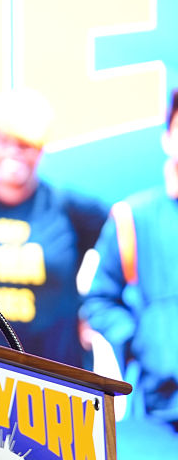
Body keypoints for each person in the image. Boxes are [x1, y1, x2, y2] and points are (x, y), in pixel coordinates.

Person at [0, 88, 108, 368]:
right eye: (4, 141)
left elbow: (126, 243)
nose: (13, 153)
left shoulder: (69, 208)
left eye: (25, 144)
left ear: (40, 150)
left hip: (59, 373)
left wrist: (99, 312)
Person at [81, 89, 178, 427]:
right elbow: (99, 299)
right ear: (167, 138)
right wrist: (144, 340)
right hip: (158, 410)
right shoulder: (132, 217)